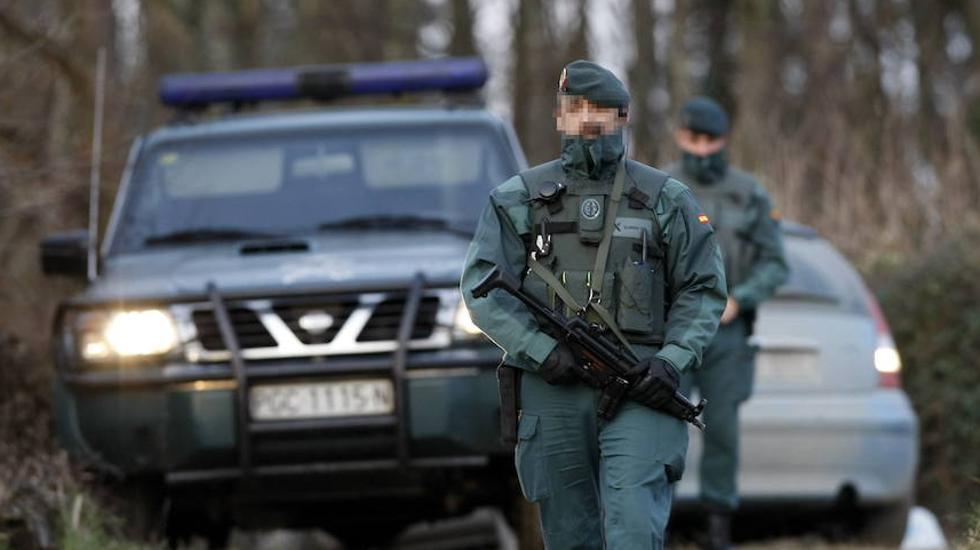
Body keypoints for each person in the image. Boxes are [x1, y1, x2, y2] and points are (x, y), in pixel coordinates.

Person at [460, 60, 727, 550]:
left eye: (601, 110)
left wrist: (671, 362)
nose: (588, 120)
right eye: (577, 109)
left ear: (623, 118)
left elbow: (703, 289)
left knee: (632, 531)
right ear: (560, 117)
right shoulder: (517, 199)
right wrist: (540, 350)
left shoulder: (666, 198)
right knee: (569, 536)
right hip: (551, 388)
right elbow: (482, 288)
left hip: (641, 385)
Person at [666, 96, 790, 550]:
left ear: (724, 140)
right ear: (681, 137)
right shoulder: (661, 186)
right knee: (661, 426)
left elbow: (776, 264)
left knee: (723, 431)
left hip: (726, 331)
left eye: (710, 140)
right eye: (693, 140)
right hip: (672, 331)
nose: (701, 150)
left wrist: (741, 298)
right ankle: (657, 523)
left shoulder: (748, 192)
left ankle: (718, 530)